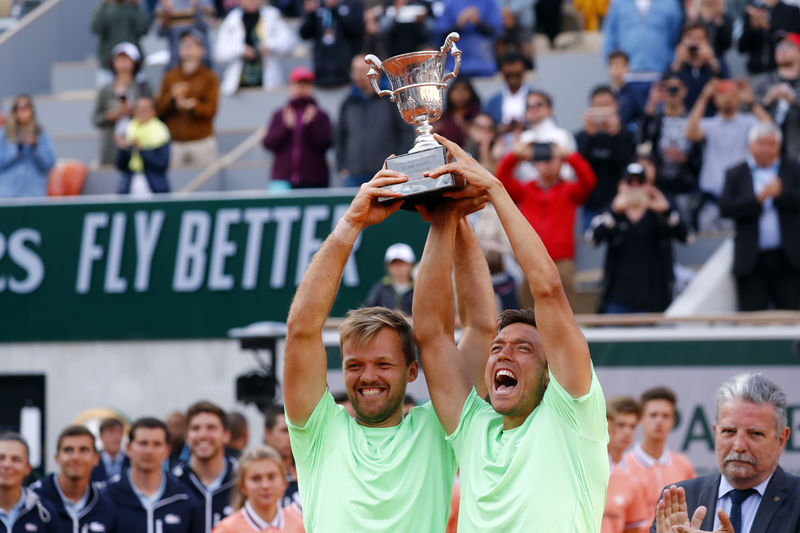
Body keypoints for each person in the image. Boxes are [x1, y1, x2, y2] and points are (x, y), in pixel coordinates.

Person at [413, 133, 609, 531]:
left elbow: (548, 289)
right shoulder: (473, 427)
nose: (503, 354)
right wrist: (448, 220)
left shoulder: (572, 414)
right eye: (498, 347)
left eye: (523, 348)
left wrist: (495, 190)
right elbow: (432, 335)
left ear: (552, 371)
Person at [283, 165, 496, 531]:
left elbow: (480, 329)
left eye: (383, 364)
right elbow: (301, 328)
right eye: (354, 365)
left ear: (413, 370)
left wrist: (455, 220)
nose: (367, 377)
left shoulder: (439, 428)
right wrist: (351, 222)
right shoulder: (318, 431)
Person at [652, 373, 800, 533]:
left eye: (755, 434)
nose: (739, 446)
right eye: (729, 431)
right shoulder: (680, 500)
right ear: (715, 432)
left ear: (781, 439)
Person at [495, 135, 596, 308]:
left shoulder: (569, 190)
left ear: (561, 162)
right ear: (535, 163)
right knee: (528, 308)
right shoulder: (525, 189)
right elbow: (500, 180)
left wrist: (569, 156)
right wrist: (515, 156)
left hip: (562, 260)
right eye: (543, 159)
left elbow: (589, 181)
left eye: (552, 159)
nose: (547, 163)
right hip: (531, 258)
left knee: (565, 308)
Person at [589, 159, 690, 313]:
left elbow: (687, 237)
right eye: (630, 182)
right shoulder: (612, 211)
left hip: (654, 300)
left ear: (649, 185)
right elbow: (592, 240)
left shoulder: (661, 212)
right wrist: (615, 213)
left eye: (640, 182)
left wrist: (666, 211)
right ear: (621, 185)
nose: (635, 187)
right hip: (617, 300)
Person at [719, 122, 800, 311]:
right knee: (752, 318)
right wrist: (759, 199)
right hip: (751, 261)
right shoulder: (735, 173)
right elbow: (726, 209)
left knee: (790, 316)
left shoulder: (793, 168)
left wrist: (781, 195)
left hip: (788, 259)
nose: (765, 149)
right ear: (750, 146)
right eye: (760, 143)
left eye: (770, 144)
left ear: (778, 147)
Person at [686, 79, 771, 231]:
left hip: (738, 199)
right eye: (722, 94)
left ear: (739, 98)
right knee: (707, 249)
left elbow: (769, 130)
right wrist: (704, 97)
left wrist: (751, 102)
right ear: (715, 99)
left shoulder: (748, 123)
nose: (727, 98)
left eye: (732, 94)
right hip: (711, 201)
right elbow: (690, 134)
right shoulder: (708, 124)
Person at [103, 417, 202, 533]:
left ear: (167, 451)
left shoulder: (183, 498)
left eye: (157, 444)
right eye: (143, 443)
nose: (149, 451)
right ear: (129, 449)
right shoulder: (108, 497)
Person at [336, 54, 414, 187]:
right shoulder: (348, 102)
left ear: (374, 73)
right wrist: (342, 166)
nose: (356, 76)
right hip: (354, 175)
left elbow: (406, 133)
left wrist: (397, 163)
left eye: (361, 71)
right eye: (354, 71)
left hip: (385, 173)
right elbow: (340, 136)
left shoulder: (391, 99)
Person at [625, 387, 697, 526]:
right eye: (653, 415)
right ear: (641, 419)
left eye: (665, 416)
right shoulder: (624, 466)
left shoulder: (684, 465)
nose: (659, 421)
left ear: (673, 421)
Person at [638, 72, 702, 224]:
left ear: (685, 90)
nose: (672, 92)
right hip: (660, 187)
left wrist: (686, 159)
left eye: (676, 88)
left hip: (686, 187)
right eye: (667, 88)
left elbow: (700, 154)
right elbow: (640, 140)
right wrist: (652, 104)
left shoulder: (693, 120)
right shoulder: (656, 119)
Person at [602, 0, 683, 116]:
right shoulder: (618, 3)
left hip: (659, 77)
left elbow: (675, 38)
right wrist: (613, 71)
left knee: (656, 122)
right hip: (627, 79)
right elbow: (610, 38)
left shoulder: (670, 3)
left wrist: (669, 72)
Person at [32, 426, 118, 533]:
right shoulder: (34, 500)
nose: (76, 457)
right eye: (68, 450)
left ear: (96, 458)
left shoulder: (106, 505)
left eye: (83, 450)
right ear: (57, 458)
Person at [156, 29, 220, 168]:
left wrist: (193, 106)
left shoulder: (209, 77)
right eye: (185, 44)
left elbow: (211, 110)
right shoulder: (170, 77)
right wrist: (172, 97)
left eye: (193, 44)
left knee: (205, 184)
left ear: (201, 50)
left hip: (201, 141)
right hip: (176, 141)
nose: (188, 47)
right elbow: (159, 109)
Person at [576, 85, 636, 228]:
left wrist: (615, 136)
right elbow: (581, 168)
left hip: (620, 204)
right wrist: (589, 137)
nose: (603, 111)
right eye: (598, 106)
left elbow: (625, 164)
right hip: (591, 205)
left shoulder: (627, 135)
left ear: (616, 106)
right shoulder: (582, 136)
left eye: (606, 105)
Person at [262, 67, 332, 189]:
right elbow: (268, 143)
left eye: (305, 84)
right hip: (282, 179)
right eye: (297, 84)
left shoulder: (320, 115)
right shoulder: (280, 114)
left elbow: (326, 143)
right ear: (290, 86)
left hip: (314, 180)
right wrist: (285, 127)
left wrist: (311, 125)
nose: (301, 88)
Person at [173, 402, 236, 533]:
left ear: (226, 435)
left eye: (211, 428)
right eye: (195, 428)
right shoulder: (173, 481)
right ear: (187, 436)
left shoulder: (242, 479)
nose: (203, 435)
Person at [211, 446, 304, 533]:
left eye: (271, 477)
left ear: (284, 482)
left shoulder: (299, 525)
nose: (265, 486)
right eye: (256, 478)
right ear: (243, 486)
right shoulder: (227, 529)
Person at [214, 0, 296, 95]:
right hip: (239, 83)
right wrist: (241, 50)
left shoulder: (272, 15)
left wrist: (269, 46)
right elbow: (219, 52)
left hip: (267, 80)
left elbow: (289, 42)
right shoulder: (232, 19)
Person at [92, 42, 152, 166]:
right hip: (111, 146)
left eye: (127, 59)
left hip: (139, 143)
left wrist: (133, 112)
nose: (123, 63)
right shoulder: (105, 90)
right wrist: (110, 116)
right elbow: (96, 119)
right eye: (119, 59)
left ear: (134, 62)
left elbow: (154, 113)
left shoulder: (143, 88)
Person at [604, 397, 649, 533]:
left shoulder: (638, 475)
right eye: (621, 425)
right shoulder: (579, 470)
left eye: (632, 426)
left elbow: (633, 527)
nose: (627, 432)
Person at [0, 433, 60, 533]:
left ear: (28, 468)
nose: (7, 465)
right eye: (1, 457)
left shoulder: (44, 512)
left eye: (16, 459)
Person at [753, 33, 800, 160]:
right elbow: (744, 113)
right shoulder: (762, 81)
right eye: (779, 46)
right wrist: (767, 100)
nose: (782, 49)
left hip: (795, 155)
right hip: (766, 155)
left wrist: (793, 100)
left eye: (788, 45)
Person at [299, 0, 365, 88]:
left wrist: (335, 9)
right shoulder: (318, 5)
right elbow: (304, 35)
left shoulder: (353, 3)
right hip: (321, 74)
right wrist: (311, 14)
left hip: (346, 73)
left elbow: (358, 31)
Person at [0, 95, 55, 198]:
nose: (23, 111)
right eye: (19, 108)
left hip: (33, 193)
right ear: (14, 111)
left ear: (31, 110)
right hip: (7, 194)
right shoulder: (4, 134)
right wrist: (17, 147)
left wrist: (35, 147)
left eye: (26, 107)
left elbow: (49, 164)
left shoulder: (40, 133)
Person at [115, 96, 171, 195]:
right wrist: (123, 149)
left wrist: (141, 150)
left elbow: (162, 164)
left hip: (155, 186)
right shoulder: (128, 129)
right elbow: (120, 166)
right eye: (139, 109)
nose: (142, 112)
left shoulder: (161, 132)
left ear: (153, 112)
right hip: (129, 185)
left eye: (145, 109)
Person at [669, 22, 728, 115]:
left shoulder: (718, 65)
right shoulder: (675, 66)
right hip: (683, 118)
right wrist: (678, 65)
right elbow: (669, 93)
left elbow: (727, 91)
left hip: (711, 118)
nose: (694, 43)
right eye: (690, 38)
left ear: (707, 41)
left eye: (699, 38)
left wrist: (712, 62)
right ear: (682, 40)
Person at [435, 0, 503, 78]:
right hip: (455, 67)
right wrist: (459, 25)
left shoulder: (490, 2)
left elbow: (497, 31)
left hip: (484, 67)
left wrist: (478, 22)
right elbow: (440, 33)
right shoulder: (450, 3)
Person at [90, 0, 150, 82]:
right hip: (108, 68)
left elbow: (143, 29)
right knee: (108, 93)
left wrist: (136, 6)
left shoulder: (132, 8)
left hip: (133, 69)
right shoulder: (106, 9)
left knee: (137, 93)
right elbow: (96, 28)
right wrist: (104, 5)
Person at [738, 0, 800, 76]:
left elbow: (793, 41)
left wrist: (768, 27)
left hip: (782, 72)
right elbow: (741, 47)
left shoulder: (791, 11)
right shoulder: (754, 12)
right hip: (755, 71)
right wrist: (753, 28)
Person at [156, 0, 215, 70]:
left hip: (202, 61)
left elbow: (206, 27)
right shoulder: (165, 3)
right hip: (176, 61)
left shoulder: (204, 1)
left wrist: (197, 8)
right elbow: (159, 33)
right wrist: (166, 17)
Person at [262, 405, 298, 510]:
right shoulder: (252, 474)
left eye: (294, 431)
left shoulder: (307, 475)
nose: (291, 437)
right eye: (284, 431)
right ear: (267, 433)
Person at [364, 243, 416, 316]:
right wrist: (388, 317)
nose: (398, 267)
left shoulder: (418, 289)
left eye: (402, 263)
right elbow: (367, 312)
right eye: (394, 264)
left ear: (411, 265)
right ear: (388, 266)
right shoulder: (380, 287)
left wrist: (408, 318)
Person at [485, 52, 532, 129]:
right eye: (508, 75)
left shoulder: (537, 99)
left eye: (517, 74)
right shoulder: (492, 102)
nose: (513, 79)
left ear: (524, 72)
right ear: (502, 73)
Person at [434, 79, 482, 148]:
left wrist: (466, 128)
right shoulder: (443, 116)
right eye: (456, 89)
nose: (460, 93)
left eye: (464, 89)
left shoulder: (477, 116)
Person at [91, 418, 129, 482]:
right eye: (111, 432)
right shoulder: (91, 463)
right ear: (101, 436)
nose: (116, 437)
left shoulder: (132, 462)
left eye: (119, 432)